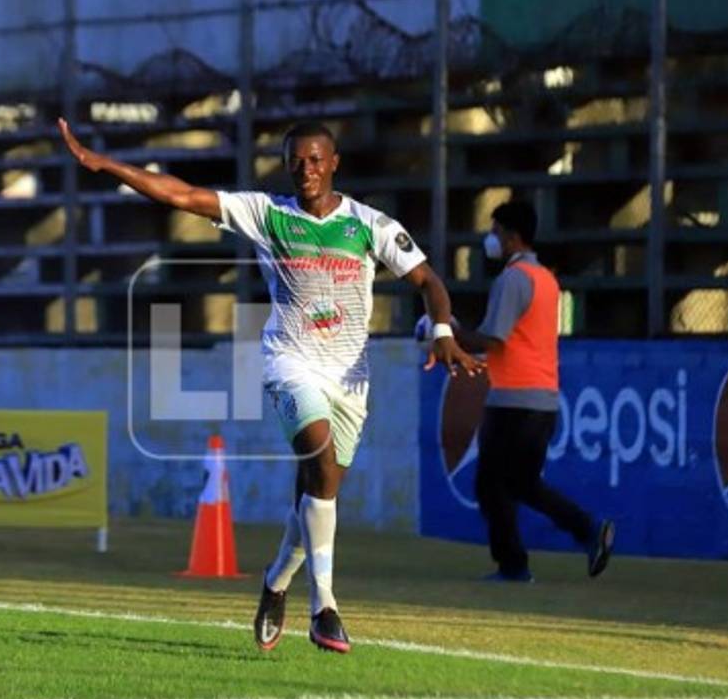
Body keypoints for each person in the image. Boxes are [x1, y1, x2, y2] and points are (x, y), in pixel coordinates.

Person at [60, 118, 482, 653]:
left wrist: (442, 330)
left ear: (333, 163)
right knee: (320, 462)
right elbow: (182, 195)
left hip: (350, 378)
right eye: (295, 161)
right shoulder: (267, 214)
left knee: (318, 493)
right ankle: (324, 608)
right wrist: (106, 165)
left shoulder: (369, 225)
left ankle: (276, 581)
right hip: (290, 362)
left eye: (315, 160)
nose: (305, 170)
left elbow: (428, 281)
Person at [452, 201, 613, 582]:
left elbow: (494, 338)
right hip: (542, 399)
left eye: (495, 232)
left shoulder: (512, 279)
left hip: (512, 399)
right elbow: (520, 339)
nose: (491, 239)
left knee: (491, 485)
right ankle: (588, 530)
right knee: (521, 482)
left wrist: (450, 333)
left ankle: (514, 565)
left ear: (512, 237)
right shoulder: (545, 279)